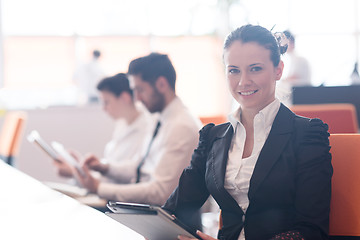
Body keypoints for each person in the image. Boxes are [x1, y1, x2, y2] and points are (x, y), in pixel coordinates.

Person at [163, 24, 332, 240]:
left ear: (278, 70)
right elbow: (176, 209)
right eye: (234, 70)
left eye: (255, 68)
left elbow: (311, 230)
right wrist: (152, 226)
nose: (243, 81)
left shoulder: (307, 135)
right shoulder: (213, 137)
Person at [76, 53, 202, 208]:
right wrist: (105, 168)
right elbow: (140, 167)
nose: (137, 99)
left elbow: (160, 193)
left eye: (140, 90)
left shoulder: (181, 126)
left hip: (169, 218)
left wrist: (99, 188)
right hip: (148, 210)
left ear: (162, 84)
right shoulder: (159, 118)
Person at [54, 73, 151, 184]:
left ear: (125, 98)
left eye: (106, 102)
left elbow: (122, 180)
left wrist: (75, 173)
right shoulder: (122, 124)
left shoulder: (145, 130)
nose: (103, 108)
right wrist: (81, 167)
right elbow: (108, 175)